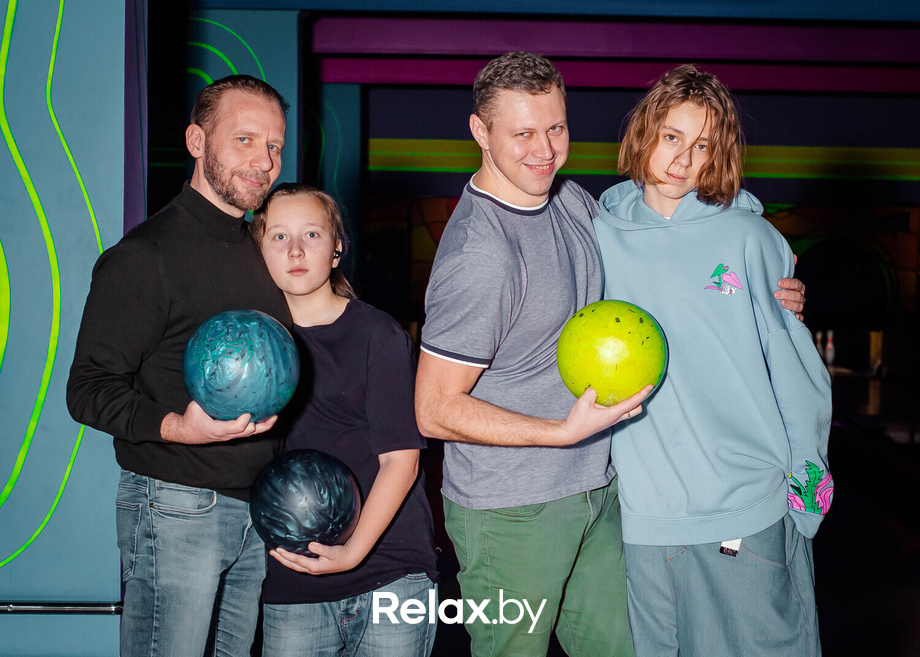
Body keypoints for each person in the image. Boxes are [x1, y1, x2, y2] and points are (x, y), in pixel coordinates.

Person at [415, 52, 806, 657]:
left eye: (556, 128)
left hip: (599, 492)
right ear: (480, 132)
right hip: (511, 511)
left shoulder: (571, 201)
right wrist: (559, 433)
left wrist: (761, 261)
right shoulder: (479, 256)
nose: (544, 150)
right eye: (522, 133)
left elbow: (667, 229)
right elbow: (433, 409)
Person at [594, 64, 832, 657]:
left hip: (746, 508)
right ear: (644, 133)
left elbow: (797, 375)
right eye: (672, 137)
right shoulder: (594, 237)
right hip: (646, 518)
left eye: (702, 146)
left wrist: (808, 490)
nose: (682, 159)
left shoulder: (751, 239)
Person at [66, 75, 290, 657]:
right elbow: (87, 389)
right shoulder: (145, 256)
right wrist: (177, 428)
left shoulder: (263, 252)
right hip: (175, 503)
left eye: (273, 145)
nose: (264, 161)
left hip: (255, 508)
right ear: (197, 141)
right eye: (244, 140)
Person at [248, 183, 439, 657]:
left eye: (311, 235)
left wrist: (353, 552)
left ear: (337, 249)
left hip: (389, 570)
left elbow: (401, 461)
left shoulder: (378, 334)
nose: (295, 250)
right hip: (294, 576)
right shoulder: (251, 346)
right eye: (279, 236)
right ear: (260, 250)